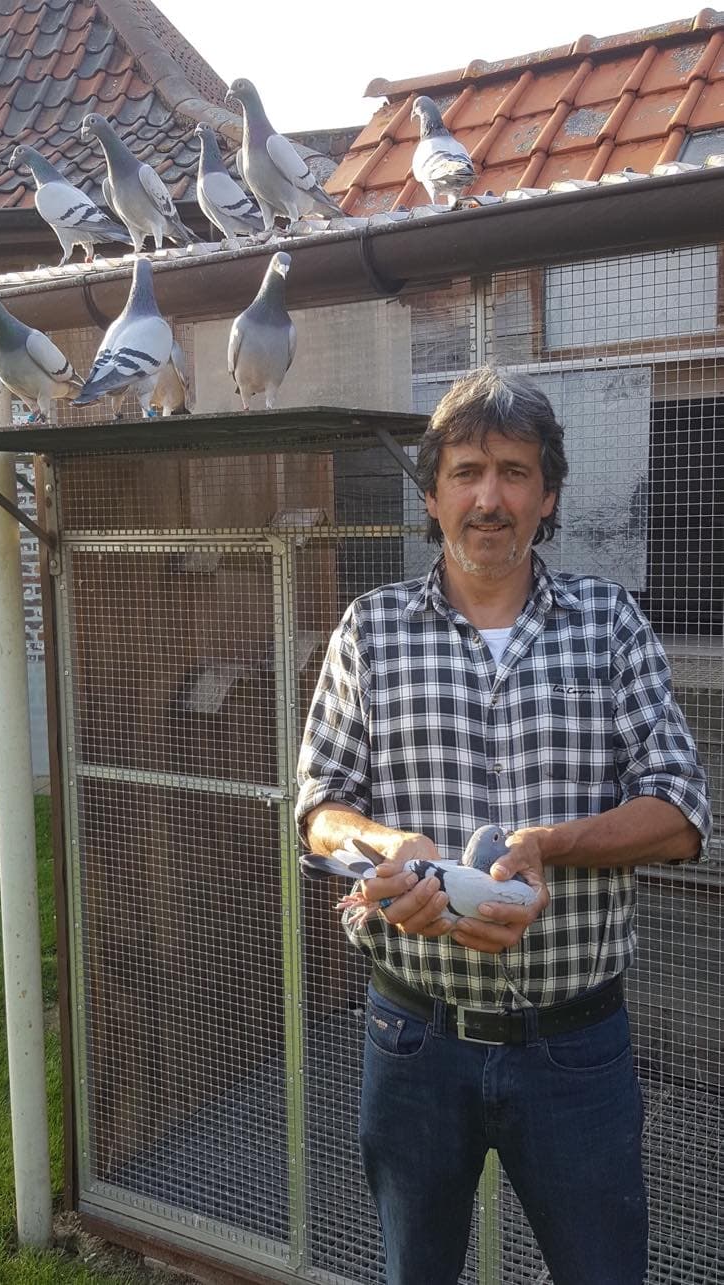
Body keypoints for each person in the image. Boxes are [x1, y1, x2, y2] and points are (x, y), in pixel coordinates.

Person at [295, 367, 711, 1285]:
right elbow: (319, 807)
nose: (489, 497)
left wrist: (549, 844)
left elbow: (682, 812)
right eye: (467, 471)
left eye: (515, 472)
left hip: (573, 1045)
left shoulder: (607, 624)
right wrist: (388, 848)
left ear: (547, 494)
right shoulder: (370, 631)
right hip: (411, 1038)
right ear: (433, 493)